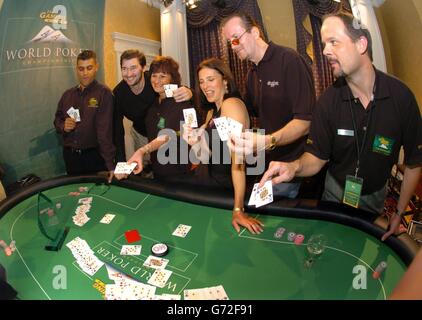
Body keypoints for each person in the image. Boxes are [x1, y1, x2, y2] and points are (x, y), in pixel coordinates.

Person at [259, 12, 422, 241]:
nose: (325, 51)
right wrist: (294, 167)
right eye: (324, 44)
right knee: (327, 248)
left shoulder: (402, 97)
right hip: (333, 194)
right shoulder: (328, 101)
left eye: (333, 42)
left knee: (356, 248)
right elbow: (316, 157)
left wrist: (398, 213)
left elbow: (415, 162)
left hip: (374, 198)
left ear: (361, 44)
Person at [221, 12, 315, 198]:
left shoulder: (289, 60)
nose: (233, 46)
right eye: (229, 42)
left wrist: (267, 141)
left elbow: (305, 123)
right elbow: (247, 110)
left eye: (236, 38)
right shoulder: (252, 74)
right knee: (260, 214)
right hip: (267, 164)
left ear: (255, 32)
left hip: (294, 168)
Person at [183, 58, 263, 234]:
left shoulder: (231, 105)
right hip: (211, 186)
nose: (205, 86)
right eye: (202, 81)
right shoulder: (211, 112)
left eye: (211, 79)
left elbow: (238, 162)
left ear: (225, 80)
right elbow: (204, 156)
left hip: (229, 191)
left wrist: (238, 209)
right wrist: (194, 142)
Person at [118, 56, 193, 182]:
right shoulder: (153, 105)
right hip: (158, 172)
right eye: (154, 75)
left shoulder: (182, 103)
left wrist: (142, 151)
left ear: (172, 79)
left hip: (181, 175)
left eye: (163, 76)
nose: (157, 80)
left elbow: (169, 136)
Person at [54, 50, 116, 182]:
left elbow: (104, 132)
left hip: (94, 157)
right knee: (76, 194)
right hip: (71, 157)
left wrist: (110, 165)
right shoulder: (67, 95)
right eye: (81, 69)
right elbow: (57, 119)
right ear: (77, 69)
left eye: (89, 68)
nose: (85, 73)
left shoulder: (104, 93)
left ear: (96, 67)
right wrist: (63, 125)